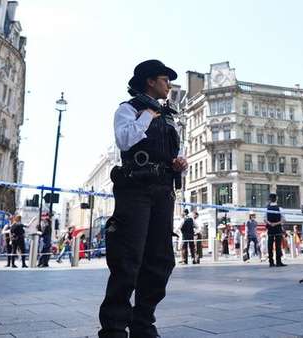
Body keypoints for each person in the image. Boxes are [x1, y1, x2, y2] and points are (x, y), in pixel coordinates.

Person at [99, 59, 187, 338]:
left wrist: (177, 163)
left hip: (163, 190)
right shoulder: (128, 109)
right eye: (165, 80)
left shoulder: (169, 117)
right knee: (128, 258)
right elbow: (125, 140)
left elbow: (167, 151)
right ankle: (113, 328)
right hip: (135, 189)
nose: (169, 86)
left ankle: (143, 322)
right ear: (150, 81)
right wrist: (148, 115)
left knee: (161, 260)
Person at [265, 193, 286, 267]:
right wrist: (276, 223)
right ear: (276, 199)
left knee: (270, 246)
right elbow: (283, 220)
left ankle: (271, 262)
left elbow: (265, 219)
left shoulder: (266, 209)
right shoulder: (280, 209)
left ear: (270, 199)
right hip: (278, 229)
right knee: (278, 246)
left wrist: (270, 223)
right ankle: (278, 262)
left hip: (270, 229)